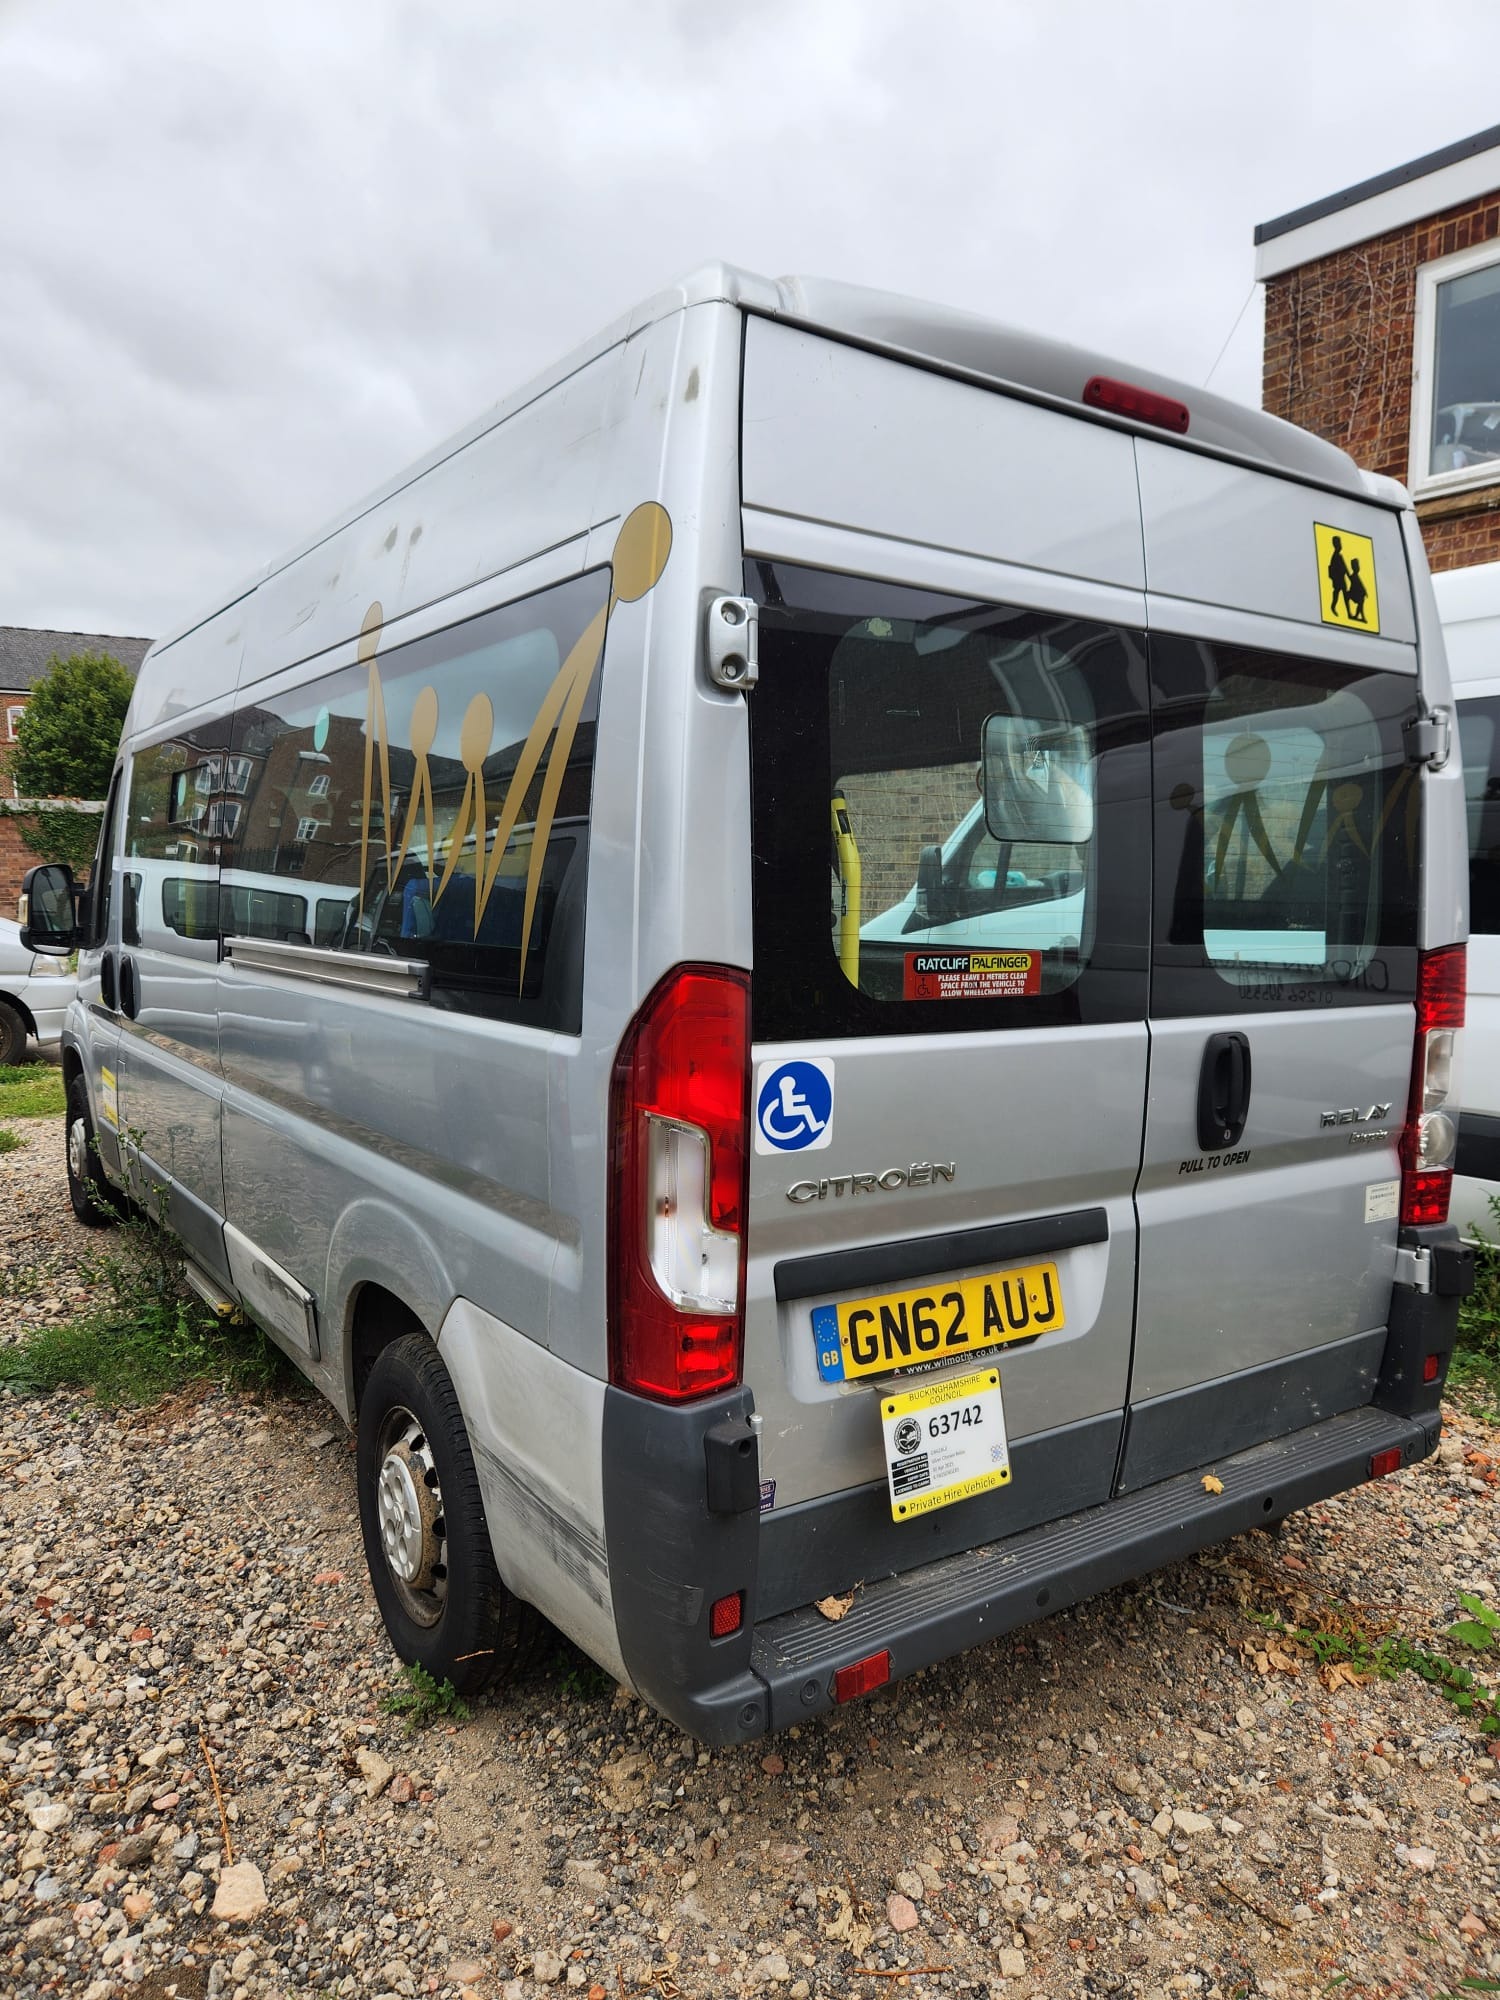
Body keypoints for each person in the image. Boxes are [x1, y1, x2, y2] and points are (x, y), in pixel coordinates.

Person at [1326, 535, 1350, 618]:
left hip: (1342, 579)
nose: (1340, 545)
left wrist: (1350, 577)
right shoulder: (1335, 557)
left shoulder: (1339, 556)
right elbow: (1338, 568)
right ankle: (1333, 606)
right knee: (1337, 594)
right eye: (1339, 543)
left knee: (1345, 594)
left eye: (1340, 543)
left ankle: (1349, 613)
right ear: (1335, 544)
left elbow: (1346, 568)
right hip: (1338, 580)